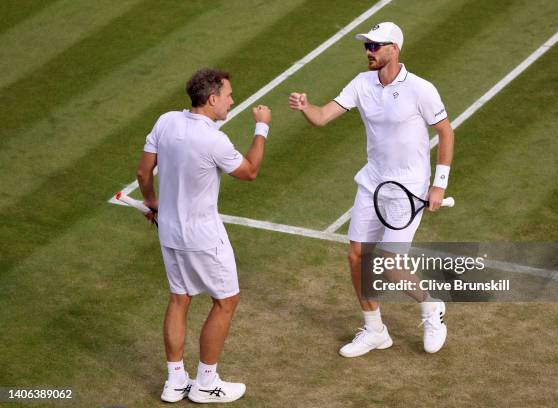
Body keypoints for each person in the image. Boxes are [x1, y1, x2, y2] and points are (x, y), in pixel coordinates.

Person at [289, 22, 454, 357]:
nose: (369, 51)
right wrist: (307, 107)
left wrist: (439, 184)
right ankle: (375, 329)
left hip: (408, 188)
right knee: (357, 256)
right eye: (367, 46)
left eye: (376, 46)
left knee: (391, 266)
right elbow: (322, 117)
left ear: (394, 49)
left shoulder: (421, 89)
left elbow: (446, 133)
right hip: (372, 182)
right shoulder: (362, 83)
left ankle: (430, 306)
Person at [137, 68, 271, 403]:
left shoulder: (166, 121)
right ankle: (206, 383)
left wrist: (153, 202)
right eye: (228, 95)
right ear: (212, 100)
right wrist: (262, 127)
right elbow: (249, 171)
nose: (232, 100)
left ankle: (175, 381)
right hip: (204, 237)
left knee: (179, 299)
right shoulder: (213, 140)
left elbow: (143, 171)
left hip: (169, 232)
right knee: (226, 301)